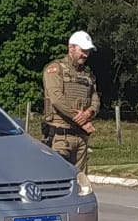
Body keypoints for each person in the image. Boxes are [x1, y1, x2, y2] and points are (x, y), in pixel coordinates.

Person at [42, 30, 100, 174]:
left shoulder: (88, 74)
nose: (85, 55)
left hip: (81, 138)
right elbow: (57, 99)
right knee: (57, 178)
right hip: (60, 137)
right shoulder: (55, 70)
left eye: (88, 51)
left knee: (80, 183)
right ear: (71, 48)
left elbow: (95, 99)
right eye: (82, 50)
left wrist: (89, 113)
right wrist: (81, 119)